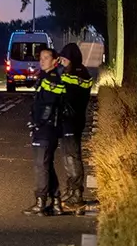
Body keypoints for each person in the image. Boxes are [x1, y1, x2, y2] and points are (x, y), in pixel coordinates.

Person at [23, 47, 65, 216]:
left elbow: (49, 105)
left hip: (46, 128)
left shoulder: (52, 78)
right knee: (47, 165)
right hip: (49, 128)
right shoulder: (46, 77)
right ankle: (56, 203)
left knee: (40, 166)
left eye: (46, 57)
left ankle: (40, 202)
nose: (42, 60)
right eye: (41, 57)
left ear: (55, 60)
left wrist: (38, 124)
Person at [57, 43, 94, 214]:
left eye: (64, 58)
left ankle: (76, 193)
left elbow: (66, 93)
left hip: (72, 120)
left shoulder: (77, 73)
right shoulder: (74, 72)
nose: (61, 61)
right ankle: (71, 190)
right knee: (67, 156)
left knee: (72, 156)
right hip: (68, 120)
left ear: (71, 58)